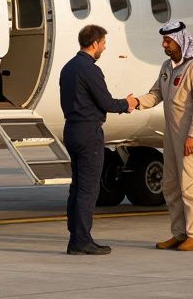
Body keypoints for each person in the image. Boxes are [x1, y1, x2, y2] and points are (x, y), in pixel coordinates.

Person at [132, 21, 193, 251]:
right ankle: (179, 233)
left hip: (189, 137)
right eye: (164, 41)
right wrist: (134, 102)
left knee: (191, 185)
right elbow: (155, 94)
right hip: (171, 136)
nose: (164, 45)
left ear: (180, 41)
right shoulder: (167, 67)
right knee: (171, 186)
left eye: (168, 41)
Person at [59, 24, 138, 255]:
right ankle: (81, 241)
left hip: (71, 129)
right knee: (88, 190)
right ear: (94, 43)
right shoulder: (90, 69)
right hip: (88, 133)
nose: (104, 47)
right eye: (103, 43)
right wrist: (127, 104)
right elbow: (106, 103)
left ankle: (76, 236)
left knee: (77, 187)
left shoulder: (68, 67)